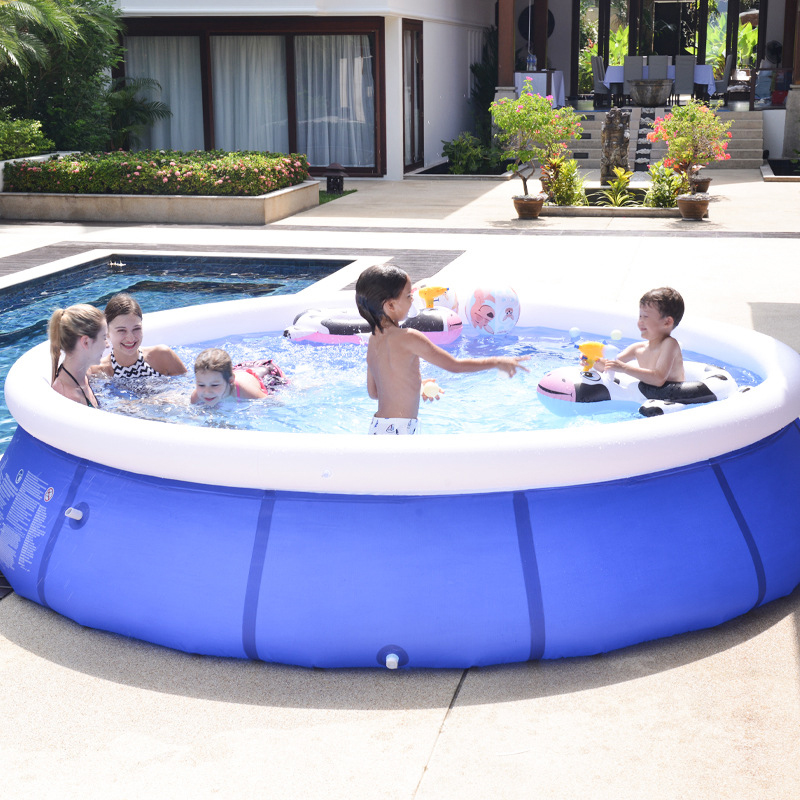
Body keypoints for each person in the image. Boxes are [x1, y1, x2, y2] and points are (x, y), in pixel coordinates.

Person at [355, 264, 530, 435]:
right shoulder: (409, 337)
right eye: (408, 296)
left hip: (377, 427)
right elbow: (454, 365)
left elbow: (374, 392)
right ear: (390, 306)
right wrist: (496, 361)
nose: (412, 300)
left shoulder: (373, 340)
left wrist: (413, 386)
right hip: (401, 429)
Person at [594, 287, 686, 396]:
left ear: (667, 322)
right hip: (648, 396)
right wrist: (593, 361)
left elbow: (658, 379)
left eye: (645, 316)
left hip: (674, 397)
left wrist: (624, 368)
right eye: (640, 316)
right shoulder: (637, 348)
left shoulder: (670, 344)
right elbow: (610, 366)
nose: (640, 321)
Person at [93, 293, 186, 379]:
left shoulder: (163, 356)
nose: (131, 338)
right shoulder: (98, 372)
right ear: (107, 333)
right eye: (121, 330)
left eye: (136, 329)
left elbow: (188, 386)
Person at [49, 304, 108, 408]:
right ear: (86, 342)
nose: (107, 345)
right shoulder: (67, 398)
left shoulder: (82, 375)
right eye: (104, 337)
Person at [191, 348, 286, 407]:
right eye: (201, 385)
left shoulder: (245, 391)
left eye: (214, 385)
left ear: (230, 381)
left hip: (265, 372)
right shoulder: (197, 395)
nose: (207, 392)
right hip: (236, 370)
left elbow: (273, 403)